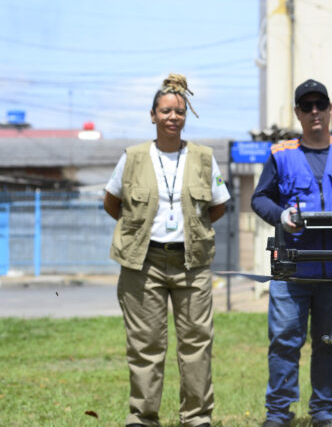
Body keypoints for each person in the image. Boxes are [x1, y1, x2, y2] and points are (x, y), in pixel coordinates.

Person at [251, 79, 332, 427]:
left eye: (319, 106)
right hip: (293, 268)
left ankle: (324, 412)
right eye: (306, 107)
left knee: (330, 342)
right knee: (283, 342)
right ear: (297, 112)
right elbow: (259, 198)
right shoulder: (281, 155)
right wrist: (281, 216)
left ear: (329, 109)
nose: (314, 113)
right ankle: (278, 413)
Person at [103, 74, 230, 427]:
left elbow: (218, 206)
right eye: (165, 111)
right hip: (143, 262)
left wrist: (194, 229)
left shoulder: (204, 158)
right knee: (145, 345)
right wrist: (140, 232)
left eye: (179, 111)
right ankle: (142, 417)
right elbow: (113, 203)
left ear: (186, 115)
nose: (172, 117)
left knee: (197, 343)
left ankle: (196, 417)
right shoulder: (133, 158)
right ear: (153, 115)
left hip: (192, 262)